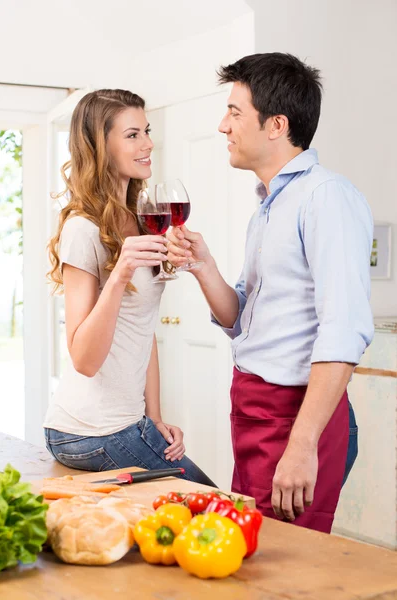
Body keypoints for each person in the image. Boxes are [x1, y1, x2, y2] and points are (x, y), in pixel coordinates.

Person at [167, 53, 373, 533]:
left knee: (286, 568)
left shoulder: (326, 197)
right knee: (251, 556)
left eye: (235, 112)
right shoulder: (269, 204)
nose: (223, 126)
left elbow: (343, 333)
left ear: (276, 125)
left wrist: (301, 445)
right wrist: (204, 267)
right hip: (254, 410)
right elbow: (241, 318)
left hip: (293, 417)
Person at [44, 88, 215, 487]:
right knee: (216, 505)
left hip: (125, 423)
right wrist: (119, 276)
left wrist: (153, 419)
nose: (148, 143)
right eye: (133, 134)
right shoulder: (82, 229)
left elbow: (143, 329)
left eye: (147, 131)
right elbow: (84, 359)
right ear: (100, 146)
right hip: (87, 431)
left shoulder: (142, 220)